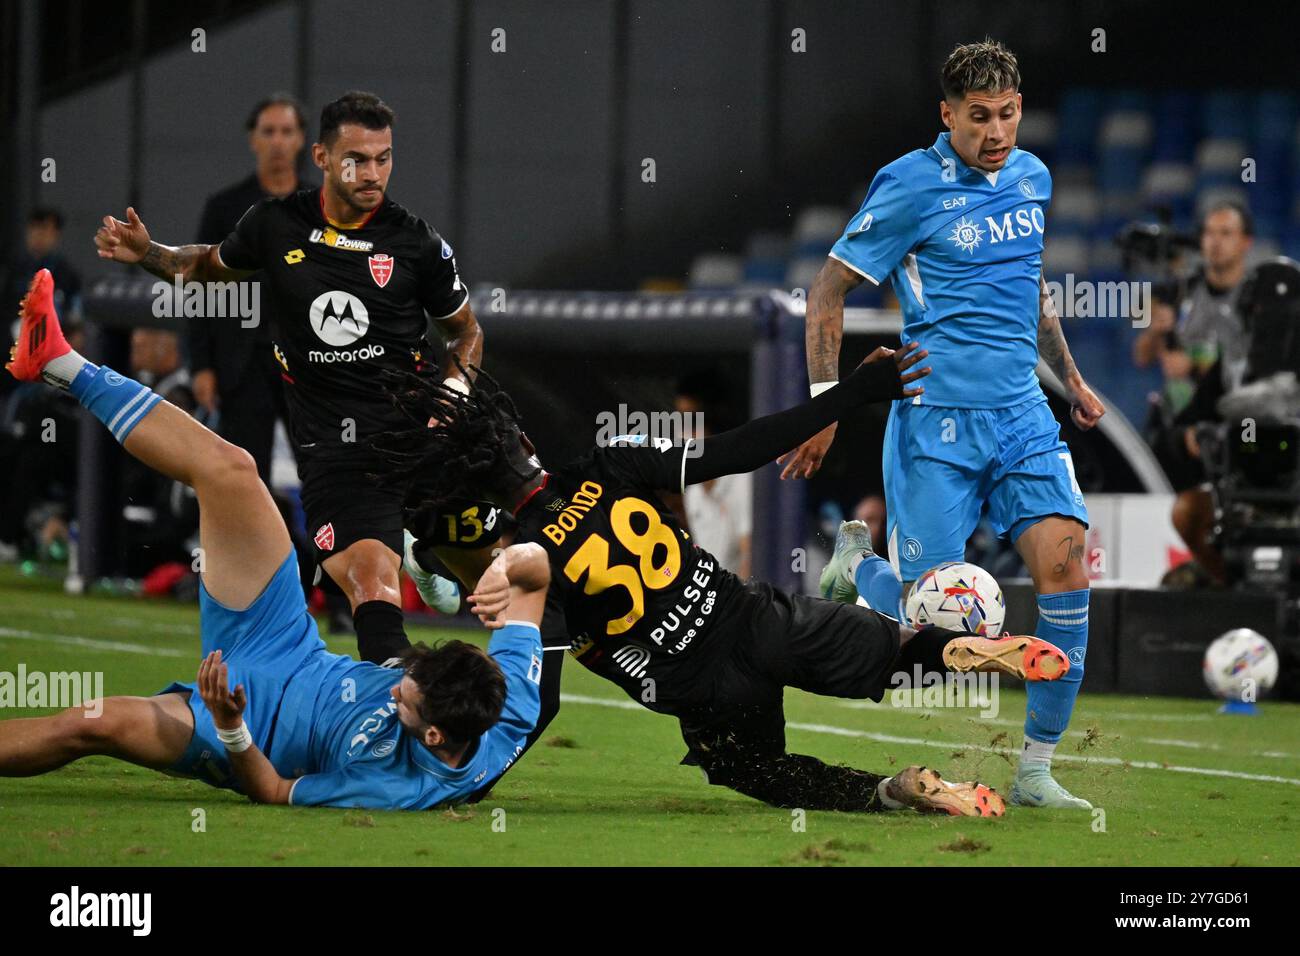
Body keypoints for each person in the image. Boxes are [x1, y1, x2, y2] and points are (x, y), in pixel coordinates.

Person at [379, 348, 1072, 817]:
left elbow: (542, 703)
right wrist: (853, 394)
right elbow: (744, 447)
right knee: (893, 651)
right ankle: (960, 648)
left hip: (707, 692)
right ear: (518, 443)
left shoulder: (527, 563)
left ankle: (895, 791)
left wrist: (471, 783)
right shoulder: (604, 468)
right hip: (754, 615)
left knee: (756, 772)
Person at [0, 270, 543, 810]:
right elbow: (537, 573)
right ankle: (56, 362)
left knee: (93, 721)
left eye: (406, 697)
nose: (396, 683)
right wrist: (504, 566)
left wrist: (232, 727)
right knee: (232, 469)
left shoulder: (397, 788)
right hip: (287, 643)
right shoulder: (508, 701)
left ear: (431, 737)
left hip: (247, 726)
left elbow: (274, 790)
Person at [779, 39, 1103, 809]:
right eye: (979, 118)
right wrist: (828, 406)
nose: (997, 133)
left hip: (1022, 414)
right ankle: (857, 567)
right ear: (947, 114)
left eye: (1009, 115)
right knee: (932, 617)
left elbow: (1031, 290)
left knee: (1068, 568)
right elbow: (827, 292)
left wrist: (1074, 380)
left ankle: (1034, 772)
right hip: (936, 422)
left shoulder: (1032, 177)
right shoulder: (909, 185)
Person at [93, 90, 476, 666]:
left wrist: (454, 395)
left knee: (516, 569)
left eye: (384, 158)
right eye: (357, 159)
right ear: (321, 157)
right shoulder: (275, 224)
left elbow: (466, 333)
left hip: (419, 437)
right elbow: (205, 265)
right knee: (371, 582)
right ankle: (393, 712)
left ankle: (435, 563)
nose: (372, 173)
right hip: (338, 453)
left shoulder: (415, 243)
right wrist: (151, 253)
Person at [188, 93, 307, 484]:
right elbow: (197, 287)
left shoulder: (322, 207)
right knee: (245, 477)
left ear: (301, 139)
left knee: (321, 473)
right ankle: (252, 549)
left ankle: (328, 548)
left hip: (307, 360)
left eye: (286, 131)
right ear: (252, 139)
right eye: (268, 131)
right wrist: (202, 364)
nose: (277, 141)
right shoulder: (224, 207)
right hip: (242, 362)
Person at [674, 371, 751, 579]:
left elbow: (752, 557)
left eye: (691, 420)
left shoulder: (744, 480)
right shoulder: (693, 493)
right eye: (681, 420)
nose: (684, 432)